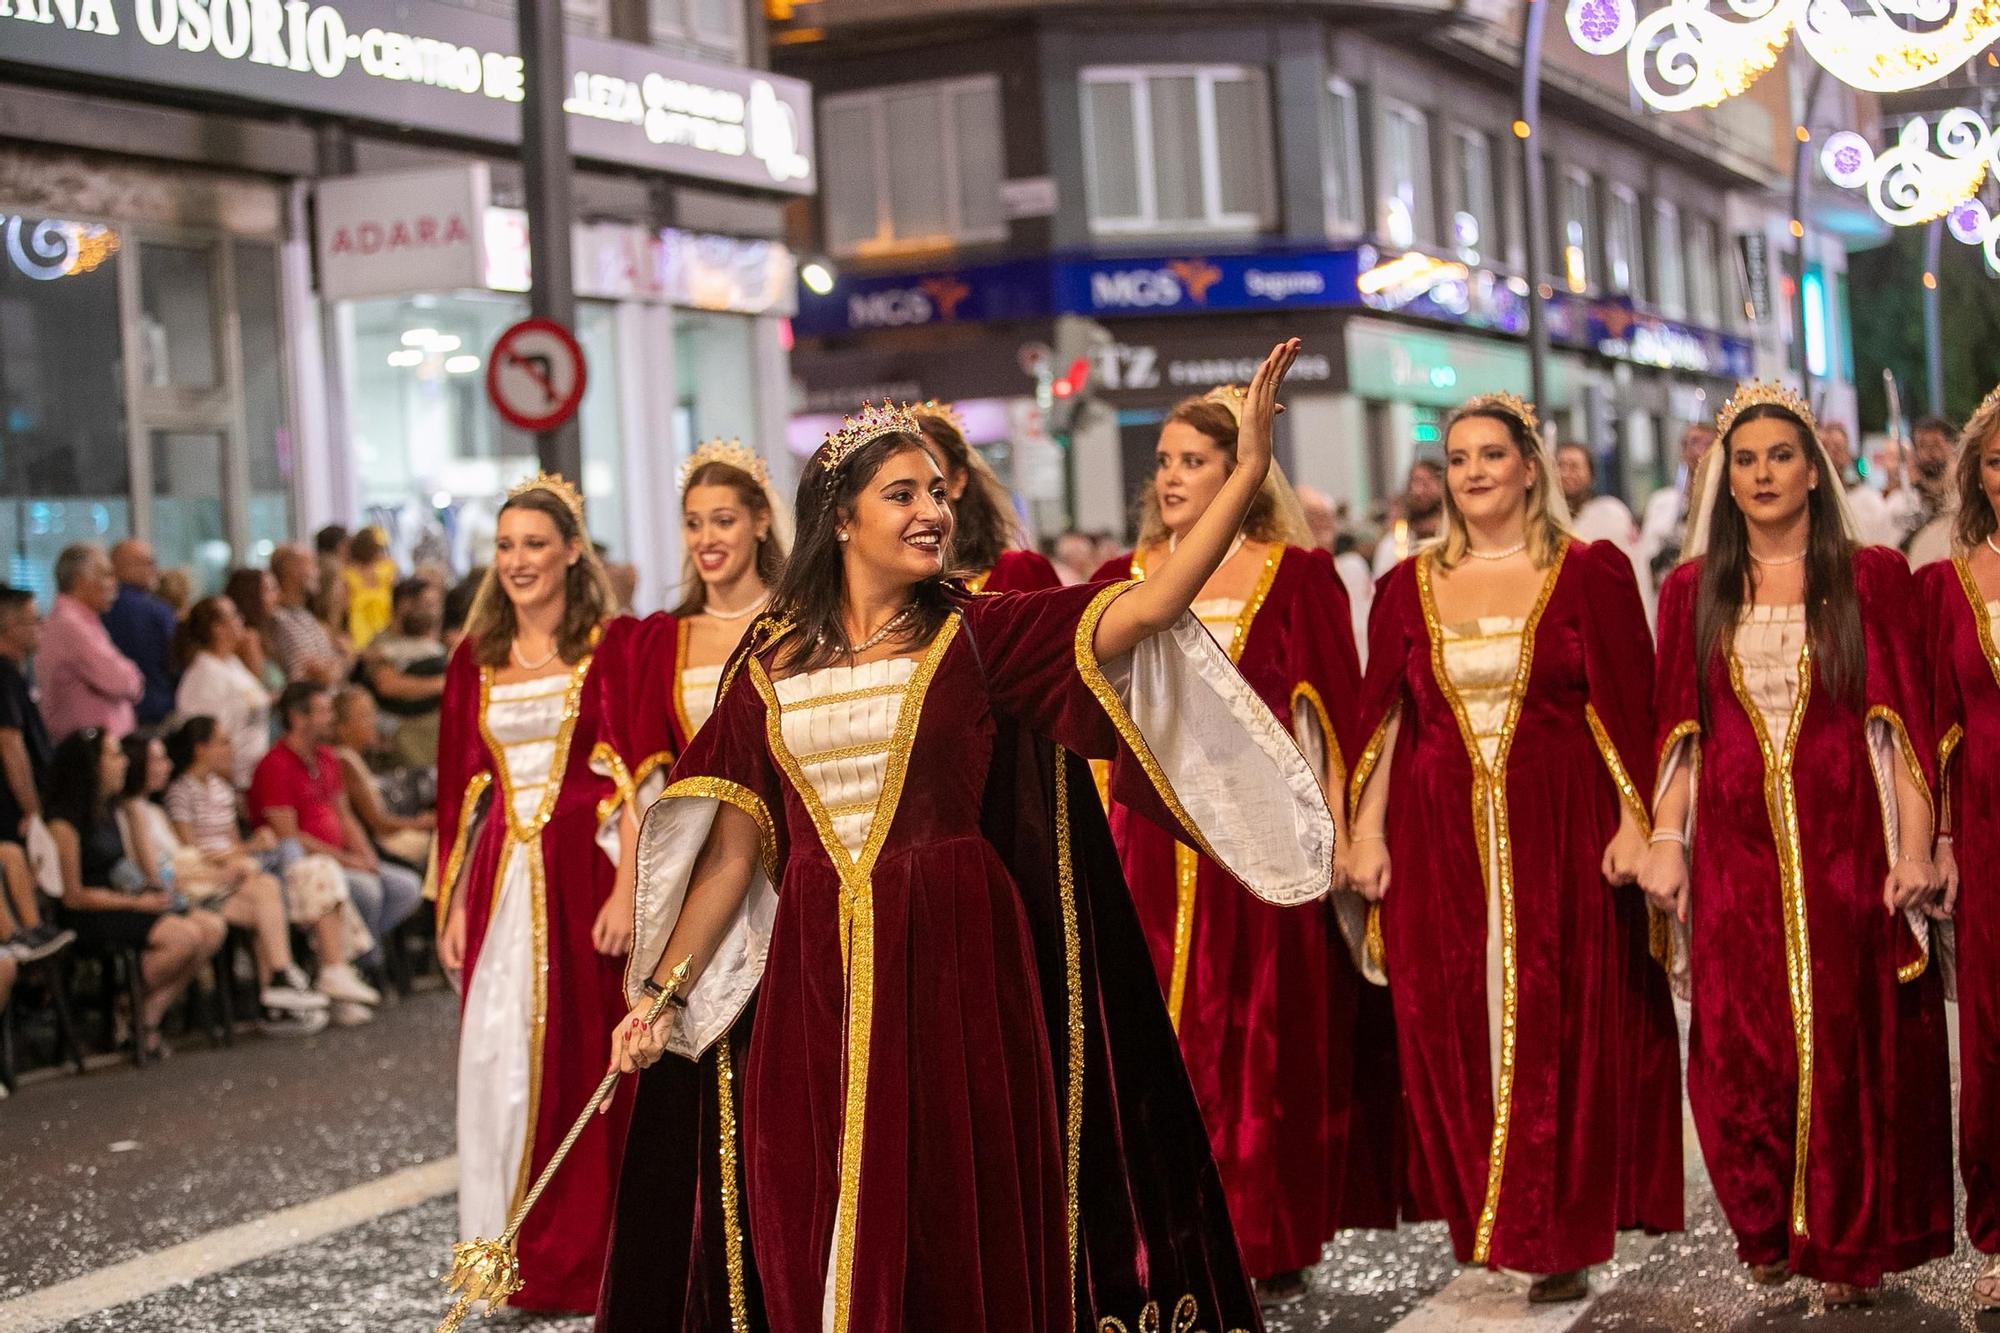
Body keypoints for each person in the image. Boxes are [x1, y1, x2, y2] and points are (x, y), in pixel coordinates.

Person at [605, 348, 1336, 1332]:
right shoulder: (768, 661)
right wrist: (662, 992)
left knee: (950, 1215)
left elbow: (1149, 607)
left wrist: (1244, 474)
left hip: (959, 959)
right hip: (813, 973)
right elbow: (735, 853)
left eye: (939, 492)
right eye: (901, 492)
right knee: (809, 1204)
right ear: (842, 517)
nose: (930, 511)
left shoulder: (981, 634)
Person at [1344, 393, 1683, 1302]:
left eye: (1492, 453)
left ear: (1531, 466)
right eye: (1458, 459)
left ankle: (1557, 1224)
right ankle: (1492, 1211)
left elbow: (1628, 702)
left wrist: (1635, 820)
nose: (1475, 471)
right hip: (1437, 836)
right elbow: (1382, 719)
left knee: (1558, 1019)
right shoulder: (1405, 583)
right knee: (1451, 1020)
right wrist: (1366, 834)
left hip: (1561, 827)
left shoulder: (1590, 571)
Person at [1640, 382, 1952, 1305]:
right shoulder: (1691, 590)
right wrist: (1666, 838)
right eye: (1745, 460)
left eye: (1782, 455)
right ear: (1722, 480)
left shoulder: (1871, 578)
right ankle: (1770, 1223)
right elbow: (1679, 732)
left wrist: (1917, 850)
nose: (1764, 473)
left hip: (1846, 844)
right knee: (1745, 1049)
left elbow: (1901, 725)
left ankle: (1846, 1242)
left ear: (1814, 471)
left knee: (1849, 1046)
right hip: (1737, 858)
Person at [1090, 385, 1391, 1300]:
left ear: (1240, 473)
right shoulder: (1122, 574)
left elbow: (1332, 711)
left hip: (1255, 848)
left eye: (1196, 461)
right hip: (1148, 844)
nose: (1175, 477)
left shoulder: (1293, 574)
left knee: (1260, 1044)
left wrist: (1343, 835)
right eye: (1168, 461)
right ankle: (1161, 1234)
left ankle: (1260, 1235)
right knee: (1154, 1037)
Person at [429, 476, 647, 1314]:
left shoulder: (611, 645)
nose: (518, 561)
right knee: (495, 1062)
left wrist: (629, 887)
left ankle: (585, 1258)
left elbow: (632, 777)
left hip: (582, 878)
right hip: (500, 887)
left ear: (569, 550)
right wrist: (451, 904)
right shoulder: (472, 658)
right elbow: (460, 793)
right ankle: (504, 1256)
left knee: (584, 1063)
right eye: (505, 546)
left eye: (533, 543)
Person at [1920, 384, 2000, 1310]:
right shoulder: (1948, 585)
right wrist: (1936, 841)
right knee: (1992, 1041)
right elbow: (1937, 730)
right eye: (1996, 458)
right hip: (1987, 832)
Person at [116, 732, 327, 1035]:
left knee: (264, 887)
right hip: (178, 893)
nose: (167, 765)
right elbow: (158, 872)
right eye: (158, 759)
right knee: (247, 899)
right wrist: (222, 870)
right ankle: (278, 987)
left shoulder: (153, 811)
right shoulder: (134, 812)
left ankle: (278, 986)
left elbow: (182, 860)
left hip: (194, 886)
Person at [624, 441, 791, 813]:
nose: (706, 539)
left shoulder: (796, 623)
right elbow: (647, 777)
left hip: (787, 834)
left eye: (724, 521)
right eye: (693, 524)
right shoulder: (663, 639)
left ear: (760, 522)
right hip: (692, 841)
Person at [164, 715, 371, 1010]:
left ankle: (314, 976)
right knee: (297, 876)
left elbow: (232, 844)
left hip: (242, 870)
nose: (231, 749)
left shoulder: (220, 790)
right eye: (223, 742)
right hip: (210, 878)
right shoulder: (181, 793)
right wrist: (250, 848)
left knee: (314, 875)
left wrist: (249, 849)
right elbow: (190, 855)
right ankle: (309, 973)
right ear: (201, 749)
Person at [46, 727, 221, 1059]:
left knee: (211, 929)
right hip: (90, 913)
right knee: (183, 938)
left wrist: (147, 895)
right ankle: (124, 1003)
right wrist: (137, 902)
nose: (124, 762)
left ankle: (144, 1014)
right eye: (114, 755)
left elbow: (135, 868)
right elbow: (73, 895)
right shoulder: (64, 824)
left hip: (124, 901)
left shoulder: (110, 810)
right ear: (91, 766)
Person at [249, 682, 417, 998]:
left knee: (404, 888)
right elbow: (289, 836)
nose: (331, 718)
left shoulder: (327, 758)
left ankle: (342, 961)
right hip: (305, 867)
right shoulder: (274, 765)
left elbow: (344, 816)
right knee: (367, 891)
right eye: (324, 711)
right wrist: (348, 861)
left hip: (343, 860)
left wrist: (366, 856)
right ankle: (358, 966)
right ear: (298, 718)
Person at [912, 402, 1061, 591]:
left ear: (958, 480)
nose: (920, 504)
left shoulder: (1014, 572)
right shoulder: (891, 590)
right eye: (900, 494)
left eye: (931, 472)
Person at [38, 544, 144, 741]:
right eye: (106, 575)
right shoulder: (70, 624)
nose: (114, 583)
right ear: (80, 581)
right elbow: (120, 681)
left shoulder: (84, 620)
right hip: (87, 752)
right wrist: (132, 678)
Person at [172, 597, 273, 790]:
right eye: (235, 615)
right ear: (217, 628)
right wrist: (228, 785)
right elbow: (206, 739)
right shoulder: (204, 675)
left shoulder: (232, 663)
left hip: (254, 778)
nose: (241, 619)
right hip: (232, 785)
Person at [331, 688, 433, 869]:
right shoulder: (345, 760)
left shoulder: (359, 757)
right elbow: (378, 823)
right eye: (364, 716)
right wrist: (420, 823)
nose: (374, 722)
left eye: (373, 714)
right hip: (386, 844)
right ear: (342, 728)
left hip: (396, 829)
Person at [359, 577, 449, 771]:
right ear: (404, 605)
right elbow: (389, 685)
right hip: (405, 743)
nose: (433, 612)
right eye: (427, 604)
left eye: (435, 605)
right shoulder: (382, 644)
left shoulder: (429, 643)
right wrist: (445, 683)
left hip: (435, 739)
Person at [103, 540, 179, 727]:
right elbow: (175, 660)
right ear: (122, 566)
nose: (155, 569)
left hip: (114, 717)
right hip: (156, 712)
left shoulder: (97, 611)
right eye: (148, 562)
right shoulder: (156, 611)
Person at [1298, 484, 1374, 653]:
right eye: (1312, 516)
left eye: (1326, 516)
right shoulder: (1293, 576)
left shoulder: (1352, 567)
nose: (1321, 522)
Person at [1638, 421, 1717, 586]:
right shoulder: (1661, 503)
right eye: (1688, 443)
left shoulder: (1728, 502)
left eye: (1705, 443)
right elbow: (1645, 557)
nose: (1696, 451)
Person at [268, 546, 349, 687]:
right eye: (311, 564)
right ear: (291, 569)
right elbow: (322, 677)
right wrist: (343, 658)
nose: (317, 573)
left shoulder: (305, 615)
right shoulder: (280, 619)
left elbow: (331, 666)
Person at [1820, 421, 1898, 548]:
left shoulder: (1868, 499)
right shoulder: (1811, 502)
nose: (1831, 455)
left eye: (1837, 448)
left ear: (1848, 455)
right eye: (1825, 448)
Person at [1373, 457, 1446, 577]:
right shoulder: (1394, 543)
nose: (1417, 491)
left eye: (1425, 483)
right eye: (1414, 482)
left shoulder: (1455, 537)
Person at [1900, 414, 1958, 564]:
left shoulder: (1962, 496)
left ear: (1951, 447)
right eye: (1922, 446)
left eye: (1936, 445)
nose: (1930, 453)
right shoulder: (1908, 496)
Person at [224, 567, 286, 692]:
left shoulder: (263, 633)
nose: (277, 595)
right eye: (269, 590)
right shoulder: (249, 639)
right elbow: (255, 694)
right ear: (251, 596)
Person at [342, 526, 397, 650]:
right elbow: (343, 610)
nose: (379, 551)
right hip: (358, 630)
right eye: (376, 547)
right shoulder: (348, 574)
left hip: (386, 626)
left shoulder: (388, 569)